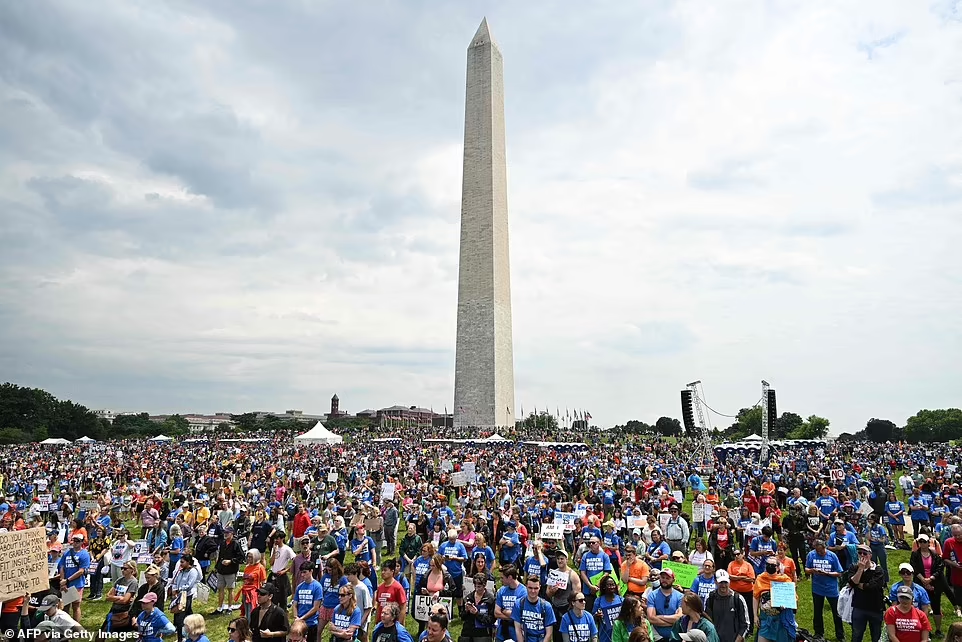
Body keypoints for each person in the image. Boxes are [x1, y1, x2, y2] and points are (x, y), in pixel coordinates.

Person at [912, 535, 953, 637]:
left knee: (936, 607)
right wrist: (924, 580)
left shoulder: (934, 554)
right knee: (921, 608)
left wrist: (931, 579)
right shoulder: (915, 555)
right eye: (920, 542)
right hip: (920, 584)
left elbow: (939, 568)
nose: (922, 544)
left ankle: (938, 630)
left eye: (924, 542)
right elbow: (914, 568)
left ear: (928, 542)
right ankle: (924, 629)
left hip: (934, 584)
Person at [845, 543, 886, 642]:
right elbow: (852, 582)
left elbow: (872, 586)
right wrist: (860, 569)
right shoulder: (854, 568)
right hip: (859, 607)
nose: (862, 556)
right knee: (856, 635)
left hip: (875, 608)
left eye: (865, 553)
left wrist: (858, 584)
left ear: (870, 555)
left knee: (876, 636)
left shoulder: (878, 570)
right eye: (860, 553)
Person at [806, 539, 845, 642]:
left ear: (825, 547)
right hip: (817, 588)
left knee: (836, 613)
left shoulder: (832, 556)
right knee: (817, 612)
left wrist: (827, 573)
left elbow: (839, 573)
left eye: (821, 551)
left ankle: (840, 635)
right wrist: (812, 571)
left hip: (831, 589)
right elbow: (806, 569)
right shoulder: (811, 555)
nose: (819, 553)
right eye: (817, 551)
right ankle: (818, 633)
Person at [705, 571, 750, 642]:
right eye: (720, 582)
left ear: (729, 582)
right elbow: (707, 622)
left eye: (725, 582)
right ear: (715, 582)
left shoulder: (738, 599)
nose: (723, 585)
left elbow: (745, 624)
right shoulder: (710, 598)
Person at [512, 574, 556, 642]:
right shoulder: (519, 604)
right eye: (530, 588)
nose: (533, 591)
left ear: (539, 587)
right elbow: (518, 630)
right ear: (526, 586)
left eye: (535, 588)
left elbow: (549, 633)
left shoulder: (546, 606)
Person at [57, 532, 90, 622]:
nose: (75, 543)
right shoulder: (67, 553)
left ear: (82, 542)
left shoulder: (84, 554)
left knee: (75, 606)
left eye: (77, 541)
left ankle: (76, 627)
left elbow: (81, 571)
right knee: (65, 606)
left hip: (77, 584)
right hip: (66, 584)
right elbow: (62, 567)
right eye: (74, 540)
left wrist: (67, 580)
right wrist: (63, 581)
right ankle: (66, 626)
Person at [170, 554, 202, 642]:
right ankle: (189, 634)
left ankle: (181, 638)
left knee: (181, 618)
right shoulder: (181, 571)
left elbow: (189, 585)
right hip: (179, 596)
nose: (180, 564)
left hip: (186, 596)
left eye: (182, 562)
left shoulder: (193, 571)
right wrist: (175, 588)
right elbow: (176, 581)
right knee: (186, 616)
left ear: (188, 562)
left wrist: (179, 589)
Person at [646, 567, 683, 642]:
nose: (664, 580)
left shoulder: (680, 596)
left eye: (667, 578)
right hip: (657, 637)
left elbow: (679, 618)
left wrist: (659, 617)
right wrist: (672, 622)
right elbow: (651, 618)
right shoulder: (652, 595)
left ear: (673, 580)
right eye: (662, 577)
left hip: (675, 637)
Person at [103, 559, 138, 632]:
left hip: (124, 612)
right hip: (114, 610)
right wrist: (119, 598)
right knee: (101, 634)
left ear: (132, 570)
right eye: (122, 568)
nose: (122, 570)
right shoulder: (119, 580)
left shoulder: (133, 582)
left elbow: (125, 600)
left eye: (125, 569)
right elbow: (108, 596)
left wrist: (114, 599)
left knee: (121, 636)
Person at [726, 550, 756, 635]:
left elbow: (752, 579)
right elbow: (729, 576)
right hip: (735, 591)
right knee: (735, 610)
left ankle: (750, 629)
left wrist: (738, 577)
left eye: (738, 554)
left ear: (742, 555)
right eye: (734, 554)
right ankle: (736, 627)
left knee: (749, 610)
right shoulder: (731, 564)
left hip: (748, 591)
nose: (736, 556)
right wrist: (743, 577)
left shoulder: (748, 565)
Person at [579, 537, 613, 613]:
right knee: (588, 611)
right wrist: (590, 586)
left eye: (593, 543)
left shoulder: (605, 556)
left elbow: (607, 572)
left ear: (599, 543)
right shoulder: (585, 556)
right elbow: (582, 573)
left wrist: (597, 586)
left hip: (601, 590)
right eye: (589, 543)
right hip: (588, 590)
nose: (591, 544)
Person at [216, 527, 245, 613]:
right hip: (221, 569)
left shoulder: (236, 543)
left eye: (227, 533)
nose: (225, 534)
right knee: (220, 588)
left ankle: (229, 607)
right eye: (225, 532)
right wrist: (217, 567)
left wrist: (231, 561)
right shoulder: (222, 543)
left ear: (232, 533)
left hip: (231, 570)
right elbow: (220, 555)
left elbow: (241, 558)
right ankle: (220, 607)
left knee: (230, 589)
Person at [496, 565, 528, 642]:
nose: (501, 580)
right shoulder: (502, 590)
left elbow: (521, 615)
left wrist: (503, 611)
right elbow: (496, 613)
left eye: (502, 578)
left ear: (510, 577)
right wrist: (513, 617)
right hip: (502, 632)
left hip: (517, 633)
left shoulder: (523, 592)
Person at [463, 571, 497, 642]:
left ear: (484, 585)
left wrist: (477, 613)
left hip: (483, 634)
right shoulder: (469, 597)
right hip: (468, 633)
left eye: (479, 586)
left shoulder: (490, 599)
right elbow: (462, 617)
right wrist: (466, 611)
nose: (477, 589)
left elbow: (491, 620)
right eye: (475, 586)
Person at [293, 563, 323, 642]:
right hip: (299, 624)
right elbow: (295, 604)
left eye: (304, 572)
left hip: (311, 623)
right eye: (301, 572)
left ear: (311, 571)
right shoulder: (299, 587)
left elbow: (316, 607)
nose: (302, 575)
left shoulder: (317, 586)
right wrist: (296, 617)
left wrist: (302, 618)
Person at [269, 531, 296, 610]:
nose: (275, 541)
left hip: (281, 575)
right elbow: (271, 563)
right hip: (273, 574)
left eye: (277, 539)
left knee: (282, 599)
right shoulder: (275, 548)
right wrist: (274, 551)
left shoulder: (287, 549)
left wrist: (286, 570)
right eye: (275, 539)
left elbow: (295, 560)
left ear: (282, 539)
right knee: (272, 597)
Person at [940, 524, 962, 619]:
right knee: (958, 594)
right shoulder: (949, 542)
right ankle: (959, 609)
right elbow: (945, 558)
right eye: (955, 535)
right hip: (956, 574)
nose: (958, 537)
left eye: (960, 535)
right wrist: (955, 565)